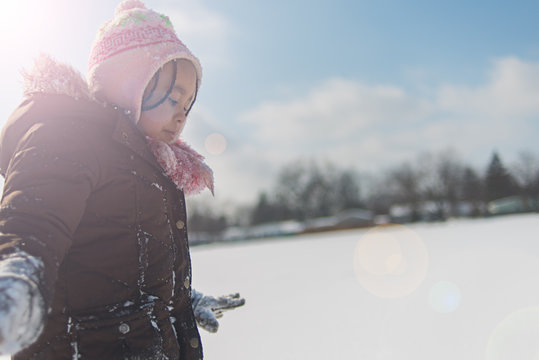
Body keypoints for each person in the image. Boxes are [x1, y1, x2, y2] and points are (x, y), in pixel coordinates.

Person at [0, 0, 244, 359]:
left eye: (187, 105)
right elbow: (34, 221)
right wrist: (18, 279)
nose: (181, 117)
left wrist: (180, 298)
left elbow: (125, 263)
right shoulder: (69, 138)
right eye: (172, 98)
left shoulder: (155, 167)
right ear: (128, 85)